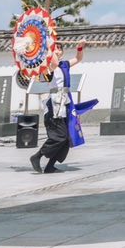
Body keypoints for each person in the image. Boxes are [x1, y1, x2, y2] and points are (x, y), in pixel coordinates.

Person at [29, 42, 96, 174]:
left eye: (60, 49)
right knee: (59, 136)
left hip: (65, 102)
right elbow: (53, 63)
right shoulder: (48, 67)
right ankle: (37, 156)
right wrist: (48, 46)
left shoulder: (64, 64)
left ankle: (50, 166)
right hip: (54, 105)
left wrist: (80, 47)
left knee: (66, 138)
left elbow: (78, 58)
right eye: (56, 49)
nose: (58, 51)